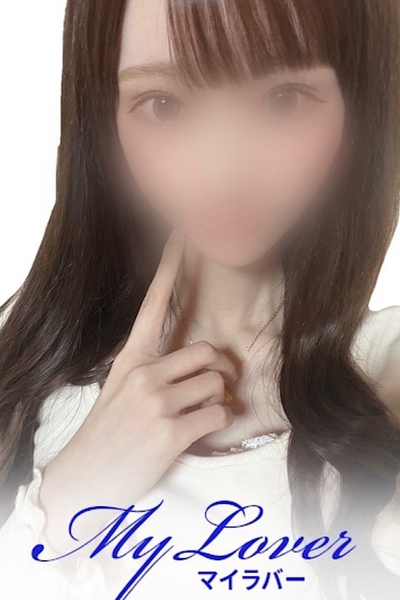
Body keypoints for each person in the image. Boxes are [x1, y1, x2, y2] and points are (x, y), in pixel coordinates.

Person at [0, 0, 400, 598]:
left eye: (283, 100)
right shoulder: (29, 363)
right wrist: (71, 493)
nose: (224, 169)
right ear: (101, 113)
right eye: (165, 105)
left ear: (360, 100)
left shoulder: (387, 373)